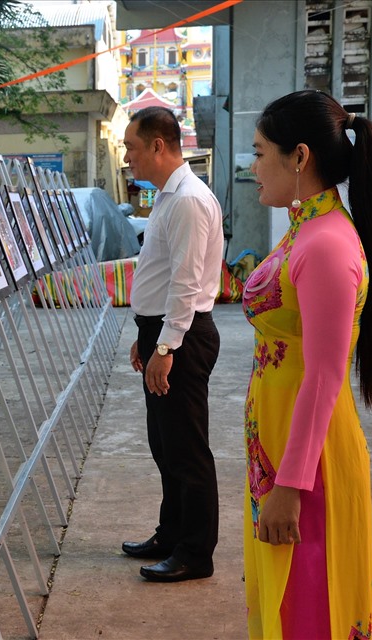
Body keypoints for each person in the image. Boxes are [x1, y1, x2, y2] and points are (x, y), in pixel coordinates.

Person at [242, 90, 372, 638]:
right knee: (283, 601)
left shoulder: (327, 244)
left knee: (310, 606)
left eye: (260, 153)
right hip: (281, 444)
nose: (252, 167)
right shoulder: (305, 228)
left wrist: (291, 485)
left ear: (299, 157)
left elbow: (326, 374)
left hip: (310, 462)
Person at [119, 106, 224, 582]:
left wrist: (166, 348)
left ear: (159, 146)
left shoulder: (187, 200)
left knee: (186, 450)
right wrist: (150, 338)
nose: (128, 158)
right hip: (162, 330)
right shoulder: (167, 195)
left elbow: (186, 283)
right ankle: (171, 533)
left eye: (132, 148)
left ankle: (195, 553)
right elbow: (160, 274)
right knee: (165, 445)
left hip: (181, 334)